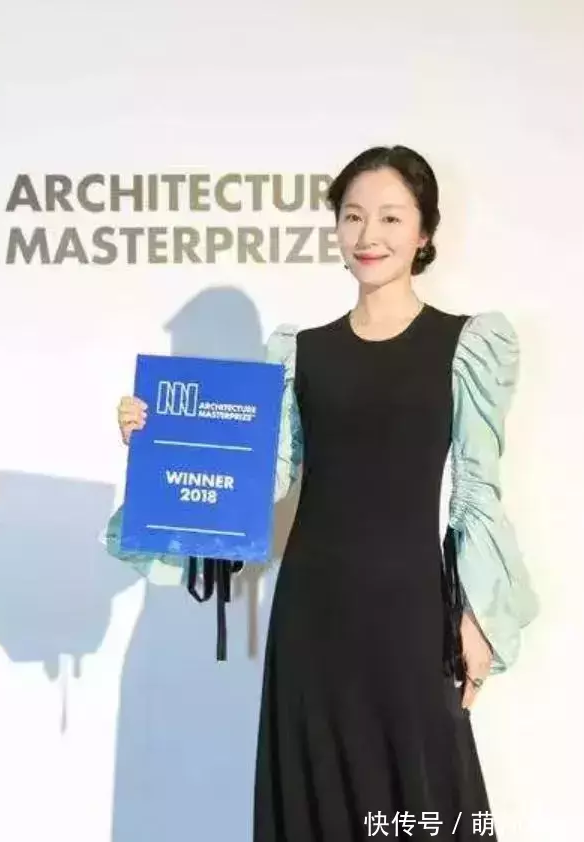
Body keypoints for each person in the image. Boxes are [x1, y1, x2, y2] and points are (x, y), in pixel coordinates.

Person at [105, 145, 539, 840]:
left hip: (410, 614)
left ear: (424, 231)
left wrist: (479, 618)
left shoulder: (465, 346)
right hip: (312, 617)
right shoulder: (301, 352)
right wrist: (157, 444)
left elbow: (477, 491)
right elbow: (258, 478)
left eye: (391, 217)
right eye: (353, 216)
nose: (369, 235)